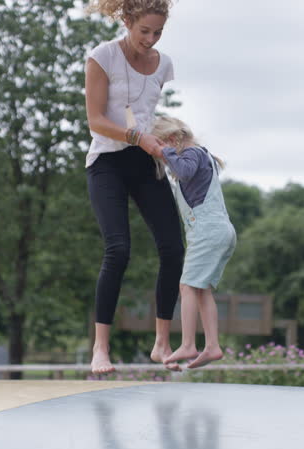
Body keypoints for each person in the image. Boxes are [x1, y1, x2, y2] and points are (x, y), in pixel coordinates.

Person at [84, 0, 183, 374]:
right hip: (107, 162)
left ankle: (161, 343)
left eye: (158, 32)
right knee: (119, 249)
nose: (151, 39)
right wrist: (138, 137)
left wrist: (167, 139)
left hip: (144, 162)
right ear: (127, 20)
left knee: (174, 248)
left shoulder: (164, 65)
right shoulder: (102, 56)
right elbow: (96, 120)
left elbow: (145, 115)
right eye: (145, 31)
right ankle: (101, 348)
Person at [152, 115, 237, 369]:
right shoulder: (201, 155)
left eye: (164, 145)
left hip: (207, 231)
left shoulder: (191, 154)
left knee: (187, 286)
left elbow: (184, 171)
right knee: (201, 290)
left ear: (173, 139)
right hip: (219, 231)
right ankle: (212, 346)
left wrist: (165, 152)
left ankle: (189, 343)